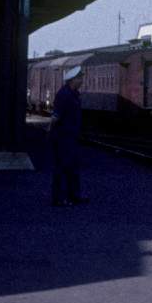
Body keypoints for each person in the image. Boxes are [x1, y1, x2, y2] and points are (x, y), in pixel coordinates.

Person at [51, 66, 87, 207]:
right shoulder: (64, 95)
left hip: (72, 136)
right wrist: (53, 135)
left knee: (73, 167)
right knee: (62, 168)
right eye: (80, 78)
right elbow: (56, 117)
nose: (82, 80)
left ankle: (74, 195)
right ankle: (59, 198)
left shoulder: (74, 94)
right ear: (73, 80)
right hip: (63, 137)